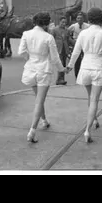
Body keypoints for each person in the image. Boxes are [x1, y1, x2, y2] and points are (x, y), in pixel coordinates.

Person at [66, 8, 102, 143]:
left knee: (90, 96)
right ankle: (87, 130)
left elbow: (76, 52)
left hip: (85, 67)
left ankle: (94, 119)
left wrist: (70, 66)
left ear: (89, 19)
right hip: (98, 67)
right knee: (94, 99)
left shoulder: (82, 33)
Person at [18, 12, 66, 143]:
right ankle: (32, 130)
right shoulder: (48, 37)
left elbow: (21, 52)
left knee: (39, 98)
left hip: (31, 69)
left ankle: (44, 120)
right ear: (46, 23)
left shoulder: (26, 34)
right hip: (43, 70)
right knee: (39, 100)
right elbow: (55, 58)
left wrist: (30, 59)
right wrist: (62, 69)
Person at [68, 12, 90, 78]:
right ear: (76, 19)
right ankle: (77, 75)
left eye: (81, 18)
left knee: (85, 59)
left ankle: (84, 75)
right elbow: (67, 33)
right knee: (77, 59)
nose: (79, 20)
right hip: (76, 43)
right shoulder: (73, 26)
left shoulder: (87, 26)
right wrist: (71, 40)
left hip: (84, 44)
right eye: (78, 18)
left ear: (83, 19)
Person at [50, 16, 71, 85]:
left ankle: (62, 79)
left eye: (65, 22)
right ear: (59, 22)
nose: (64, 23)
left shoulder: (67, 30)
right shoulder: (55, 30)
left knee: (64, 64)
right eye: (62, 22)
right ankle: (59, 79)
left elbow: (68, 40)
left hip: (65, 49)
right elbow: (51, 39)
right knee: (61, 63)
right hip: (58, 49)